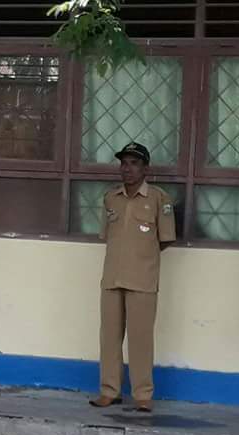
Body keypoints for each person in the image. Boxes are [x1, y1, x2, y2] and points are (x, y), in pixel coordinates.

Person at [89, 142, 176, 413]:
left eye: (134, 163)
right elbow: (108, 236)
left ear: (145, 168)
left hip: (143, 280)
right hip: (112, 278)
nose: (127, 169)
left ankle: (142, 395)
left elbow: (164, 240)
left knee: (140, 339)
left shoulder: (159, 199)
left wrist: (141, 258)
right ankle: (109, 391)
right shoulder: (110, 198)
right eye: (124, 163)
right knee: (109, 339)